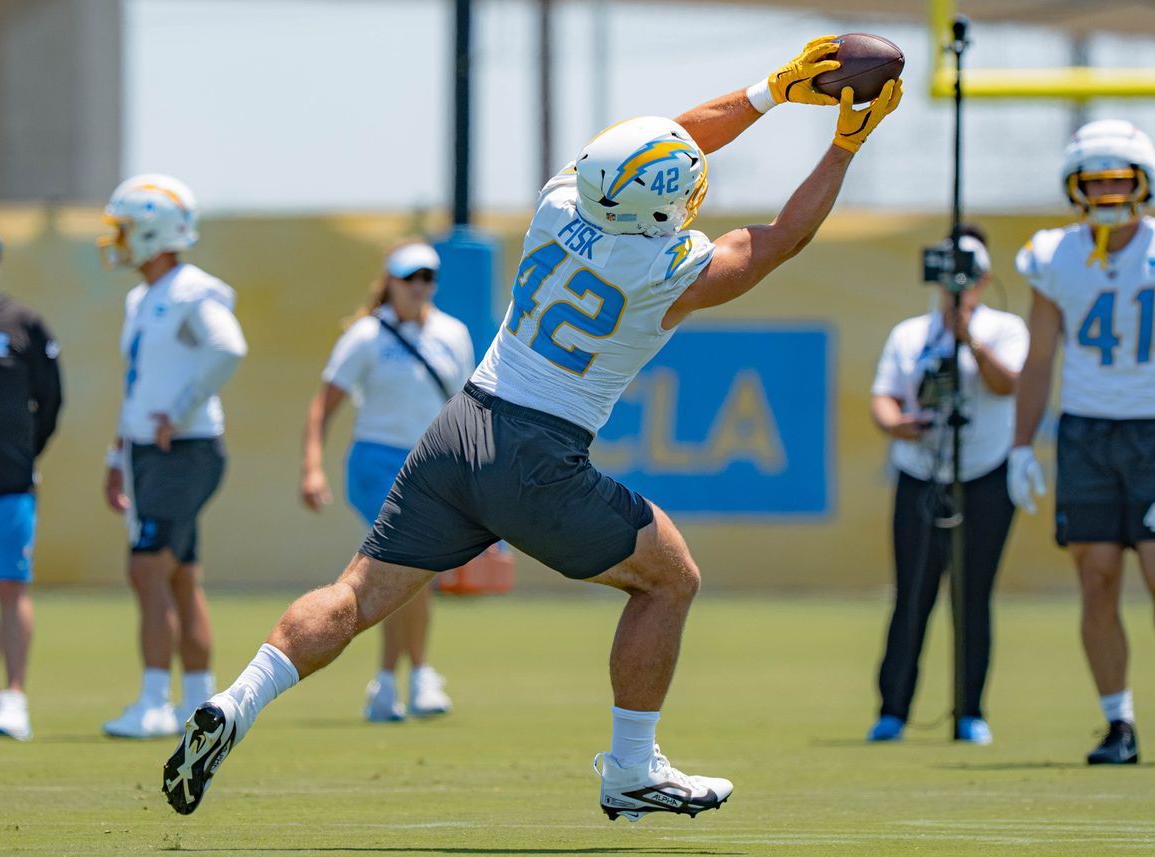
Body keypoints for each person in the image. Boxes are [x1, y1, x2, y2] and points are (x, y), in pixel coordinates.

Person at [163, 37, 903, 820]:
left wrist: (771, 91)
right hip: (537, 451)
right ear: (660, 209)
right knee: (671, 578)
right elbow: (780, 237)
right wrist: (844, 146)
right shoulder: (665, 271)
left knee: (354, 593)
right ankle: (629, 767)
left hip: (461, 427)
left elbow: (667, 141)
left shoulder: (558, 205)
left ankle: (238, 701)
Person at [1008, 119, 1155, 765]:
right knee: (1097, 578)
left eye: (1118, 178)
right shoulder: (1054, 253)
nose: (1106, 190)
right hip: (1087, 430)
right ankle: (1118, 721)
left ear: (1142, 181)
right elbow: (1039, 357)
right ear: (1076, 185)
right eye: (1095, 179)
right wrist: (1021, 445)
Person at [97, 175, 248, 739]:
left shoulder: (192, 291)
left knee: (147, 568)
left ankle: (155, 703)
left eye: (127, 228)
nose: (117, 239)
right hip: (151, 453)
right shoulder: (143, 297)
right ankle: (200, 702)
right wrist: (118, 450)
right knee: (180, 575)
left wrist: (180, 410)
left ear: (155, 231)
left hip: (183, 450)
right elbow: (139, 383)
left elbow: (228, 347)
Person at [865, 226, 1028, 746]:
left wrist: (969, 339)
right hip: (919, 473)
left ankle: (969, 712)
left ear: (984, 280)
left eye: (970, 277)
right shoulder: (909, 334)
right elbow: (885, 397)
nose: (960, 287)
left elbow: (1008, 384)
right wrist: (897, 425)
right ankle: (893, 710)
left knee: (971, 597)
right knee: (912, 594)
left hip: (984, 473)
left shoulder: (1005, 328)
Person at [300, 241, 474, 722]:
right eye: (408, 278)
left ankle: (384, 683)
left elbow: (465, 406)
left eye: (426, 278)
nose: (418, 287)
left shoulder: (453, 334)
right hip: (377, 462)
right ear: (391, 282)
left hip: (433, 462)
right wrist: (312, 465)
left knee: (404, 575)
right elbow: (324, 406)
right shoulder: (366, 336)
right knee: (411, 567)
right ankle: (420, 677)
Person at [0, 217, 62, 741]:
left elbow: (51, 400)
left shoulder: (22, 322)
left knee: (10, 588)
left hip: (8, 486)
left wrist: (27, 452)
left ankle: (16, 698)